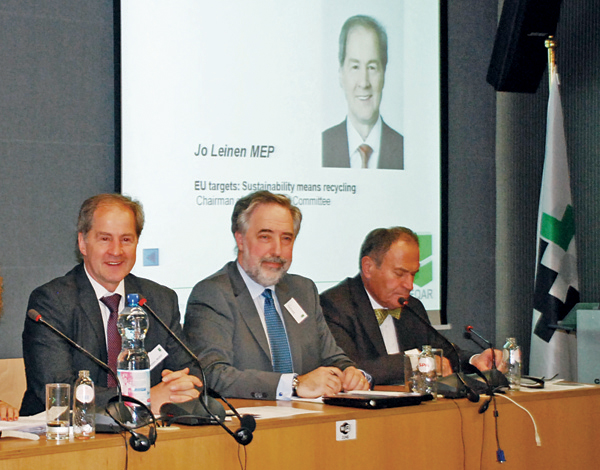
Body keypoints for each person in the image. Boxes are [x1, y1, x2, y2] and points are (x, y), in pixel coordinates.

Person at [21, 194, 202, 416]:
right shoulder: (52, 301)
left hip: (146, 435)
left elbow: (190, 371)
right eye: (105, 239)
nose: (116, 251)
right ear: (82, 243)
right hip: (63, 437)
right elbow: (59, 390)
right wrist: (139, 400)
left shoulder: (159, 300)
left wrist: (181, 386)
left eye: (126, 239)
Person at [184, 191, 370, 400]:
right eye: (265, 237)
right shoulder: (214, 294)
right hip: (250, 424)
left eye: (286, 239)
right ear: (241, 239)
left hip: (311, 421)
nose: (278, 250)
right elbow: (212, 374)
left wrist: (352, 374)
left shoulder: (303, 290)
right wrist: (293, 385)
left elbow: (334, 358)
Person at [320, 227, 502, 385]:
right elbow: (351, 368)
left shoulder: (411, 306)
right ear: (368, 267)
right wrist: (419, 362)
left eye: (413, 274)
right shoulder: (335, 305)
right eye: (400, 274)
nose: (410, 285)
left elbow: (443, 352)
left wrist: (475, 359)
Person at [322, 15, 403, 170]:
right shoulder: (323, 145)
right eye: (355, 67)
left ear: (384, 74)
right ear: (341, 74)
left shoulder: (404, 147)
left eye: (372, 67)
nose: (364, 82)